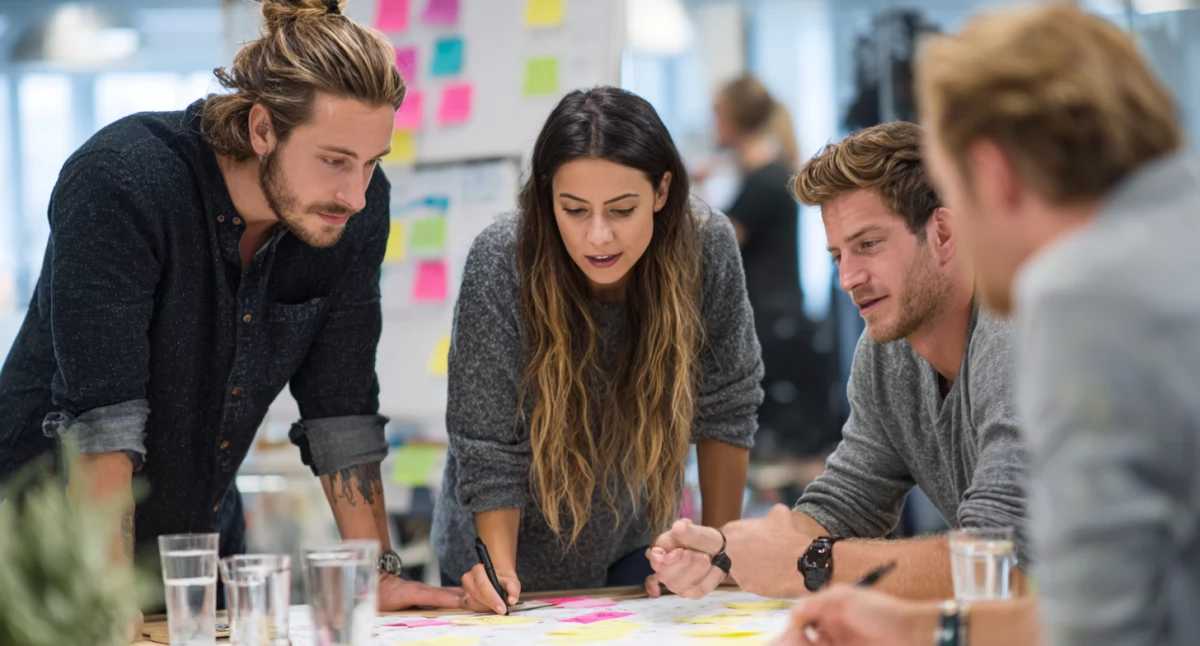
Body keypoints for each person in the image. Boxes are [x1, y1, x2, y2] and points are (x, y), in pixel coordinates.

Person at [0, 0, 462, 618]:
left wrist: (377, 574)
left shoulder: (352, 209)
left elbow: (342, 405)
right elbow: (103, 426)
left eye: (372, 162)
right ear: (263, 128)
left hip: (197, 547)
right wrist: (104, 606)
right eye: (333, 160)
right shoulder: (122, 181)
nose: (355, 195)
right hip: (44, 563)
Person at [775, 4, 1199, 645]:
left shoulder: (1080, 292)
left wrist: (822, 568)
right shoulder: (1168, 237)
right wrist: (919, 627)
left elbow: (1092, 621)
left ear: (992, 170)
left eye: (955, 186)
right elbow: (1103, 596)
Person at [649, 121, 1029, 602]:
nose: (849, 278)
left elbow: (1004, 562)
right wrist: (726, 555)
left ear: (944, 233)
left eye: (868, 245)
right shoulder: (886, 351)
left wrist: (811, 561)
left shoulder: (1018, 329)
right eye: (836, 256)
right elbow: (847, 501)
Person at [431, 86, 764, 615]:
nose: (599, 236)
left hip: (633, 545)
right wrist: (499, 575)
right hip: (497, 554)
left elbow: (726, 407)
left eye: (622, 209)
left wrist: (716, 555)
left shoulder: (705, 245)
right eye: (574, 210)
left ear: (662, 190)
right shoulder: (503, 259)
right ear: (548, 197)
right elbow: (488, 443)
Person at [712, 75, 839, 460]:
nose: (712, 124)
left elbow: (717, 245)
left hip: (772, 324)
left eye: (716, 114)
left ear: (733, 118)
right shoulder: (760, 175)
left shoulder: (765, 182)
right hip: (773, 318)